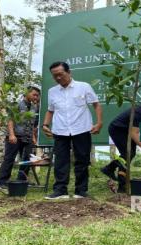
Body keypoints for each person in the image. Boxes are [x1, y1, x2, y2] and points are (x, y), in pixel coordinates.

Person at [42, 61, 103, 199]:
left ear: (69, 72)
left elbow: (96, 105)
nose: (58, 78)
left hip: (81, 129)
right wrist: (45, 125)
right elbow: (50, 110)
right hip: (60, 130)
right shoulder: (52, 92)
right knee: (60, 161)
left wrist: (99, 123)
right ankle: (60, 190)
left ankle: (80, 191)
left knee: (82, 160)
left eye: (61, 74)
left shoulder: (84, 87)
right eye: (54, 76)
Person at [0, 86, 41, 189]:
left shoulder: (34, 108)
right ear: (27, 93)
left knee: (27, 159)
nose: (36, 97)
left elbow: (33, 124)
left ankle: (22, 180)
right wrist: (11, 134)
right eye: (34, 94)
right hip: (15, 136)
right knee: (9, 159)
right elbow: (10, 120)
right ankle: (1, 182)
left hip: (28, 137)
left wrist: (33, 137)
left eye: (37, 96)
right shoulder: (17, 105)